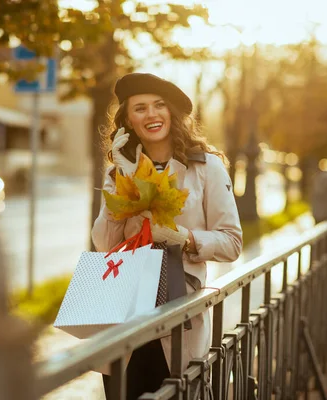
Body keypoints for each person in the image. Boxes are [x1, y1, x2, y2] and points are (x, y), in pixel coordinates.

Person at [91, 72, 243, 399]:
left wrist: (184, 237)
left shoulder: (206, 167)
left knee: (176, 392)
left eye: (159, 105)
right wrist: (123, 179)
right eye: (140, 108)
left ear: (172, 112)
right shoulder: (118, 170)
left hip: (177, 311)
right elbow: (104, 243)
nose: (152, 115)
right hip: (125, 309)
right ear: (128, 120)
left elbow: (232, 242)